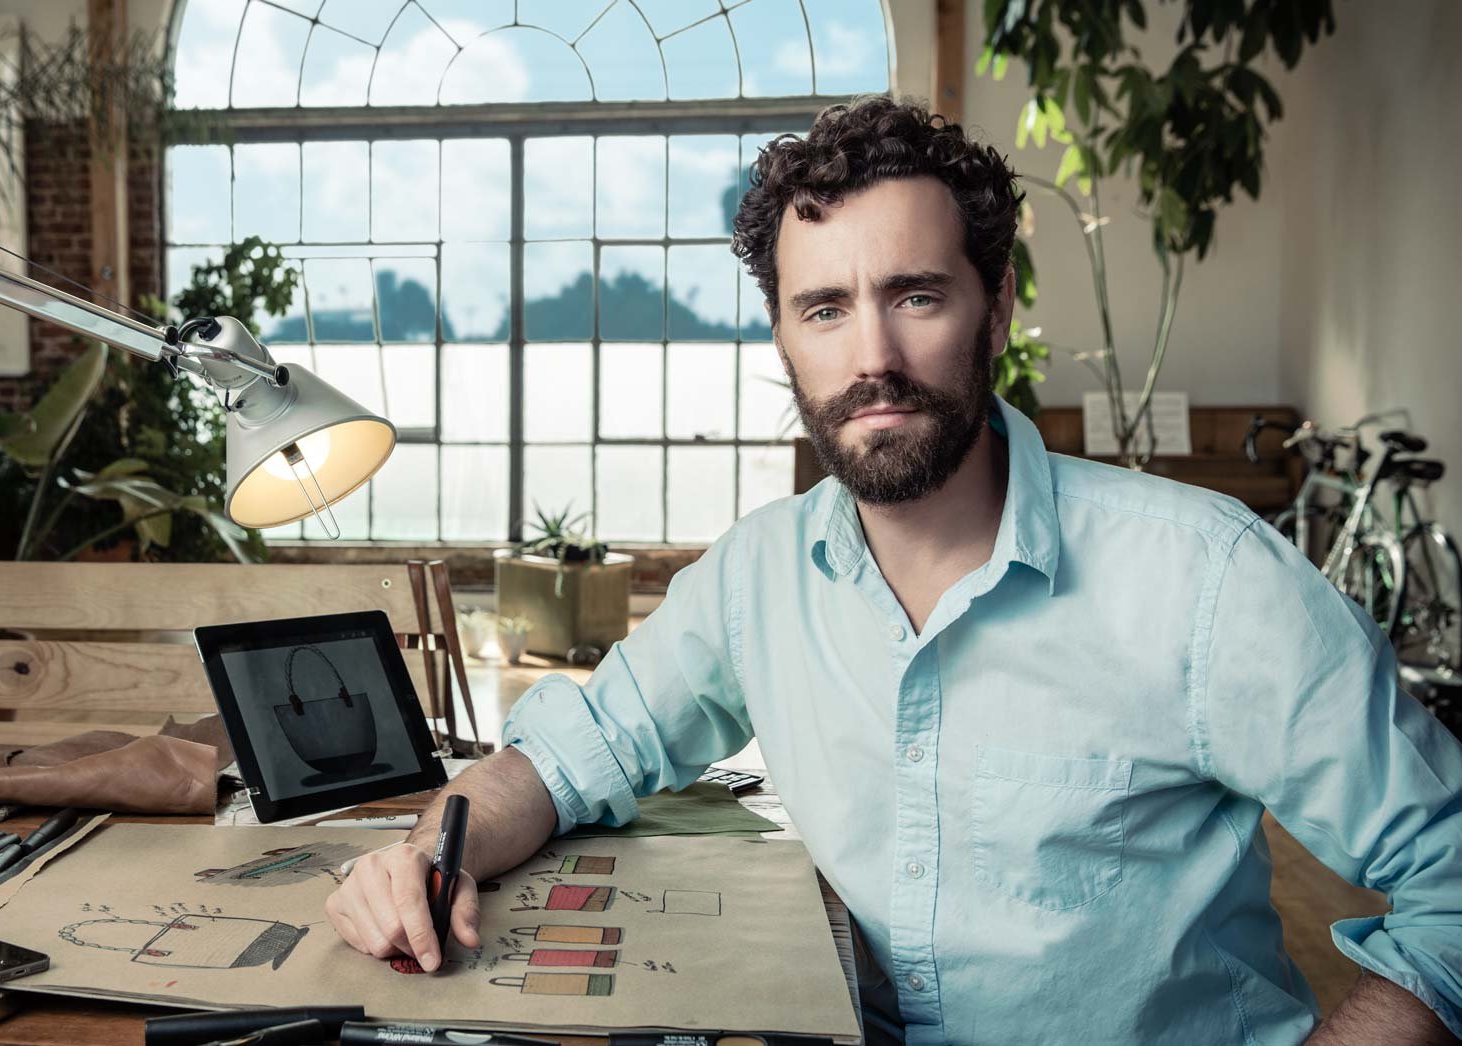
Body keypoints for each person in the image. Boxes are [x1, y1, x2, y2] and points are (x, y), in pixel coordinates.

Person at [323, 97, 1462, 1045]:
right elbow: (577, 753)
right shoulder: (754, 576)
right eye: (824, 308)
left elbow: (1453, 884)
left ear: (996, 302)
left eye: (914, 294)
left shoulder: (1210, 579)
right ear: (782, 337)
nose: (871, 358)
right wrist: (425, 851)